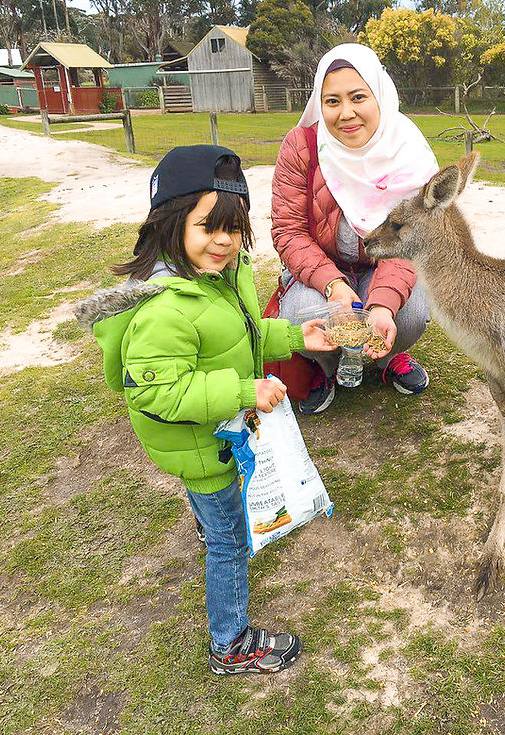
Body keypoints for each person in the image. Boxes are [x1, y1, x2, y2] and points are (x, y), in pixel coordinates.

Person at [76, 145, 335, 675]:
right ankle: (230, 642)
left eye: (233, 227)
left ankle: (206, 527)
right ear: (171, 224)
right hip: (202, 446)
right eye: (208, 227)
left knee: (215, 519)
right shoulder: (164, 309)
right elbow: (158, 393)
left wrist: (291, 335)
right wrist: (244, 392)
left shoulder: (217, 277)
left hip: (214, 437)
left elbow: (235, 338)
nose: (223, 241)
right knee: (229, 542)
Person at [271, 43, 440, 415]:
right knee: (303, 314)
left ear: (379, 94)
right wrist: (333, 284)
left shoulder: (408, 152)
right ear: (319, 103)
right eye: (332, 101)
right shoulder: (302, 145)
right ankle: (326, 368)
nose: (346, 113)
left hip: (380, 269)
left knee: (408, 314)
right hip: (322, 274)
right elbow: (289, 230)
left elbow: (412, 241)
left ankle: (387, 358)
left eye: (358, 97)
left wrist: (381, 303)